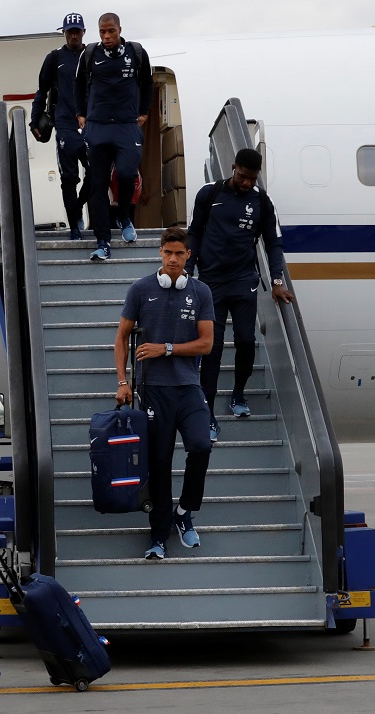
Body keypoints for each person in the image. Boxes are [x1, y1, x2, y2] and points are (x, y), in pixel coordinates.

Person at [114, 228, 215, 558]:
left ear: (188, 256)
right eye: (168, 253)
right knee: (159, 463)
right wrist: (122, 382)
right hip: (153, 391)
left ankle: (184, 512)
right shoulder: (141, 289)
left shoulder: (200, 292)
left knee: (201, 445)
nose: (173, 259)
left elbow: (207, 343)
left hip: (188, 388)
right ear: (160, 253)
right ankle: (157, 536)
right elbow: (121, 338)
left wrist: (166, 349)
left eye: (179, 253)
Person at [185, 148, 295, 442]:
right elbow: (195, 232)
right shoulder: (209, 194)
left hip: (243, 282)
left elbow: (273, 244)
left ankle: (237, 395)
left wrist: (276, 281)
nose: (247, 183)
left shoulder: (261, 202)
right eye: (242, 176)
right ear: (233, 168)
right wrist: (188, 267)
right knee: (212, 349)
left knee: (246, 342)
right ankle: (207, 413)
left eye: (252, 178)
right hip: (211, 283)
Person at [75, 12, 152, 261]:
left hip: (126, 125)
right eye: (102, 32)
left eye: (111, 32)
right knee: (97, 185)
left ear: (119, 30)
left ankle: (125, 216)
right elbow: (78, 86)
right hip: (97, 126)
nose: (107, 37)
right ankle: (103, 241)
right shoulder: (89, 55)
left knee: (127, 173)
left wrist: (144, 112)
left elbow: (148, 83)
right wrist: (80, 114)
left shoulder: (136, 53)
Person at [30, 13, 89, 241]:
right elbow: (41, 90)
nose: (73, 35)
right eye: (69, 31)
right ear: (64, 33)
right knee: (69, 179)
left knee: (96, 174)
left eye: (77, 31)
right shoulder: (54, 57)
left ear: (83, 32)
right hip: (65, 124)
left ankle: (78, 207)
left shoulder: (92, 54)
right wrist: (34, 120)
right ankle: (74, 225)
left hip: (91, 123)